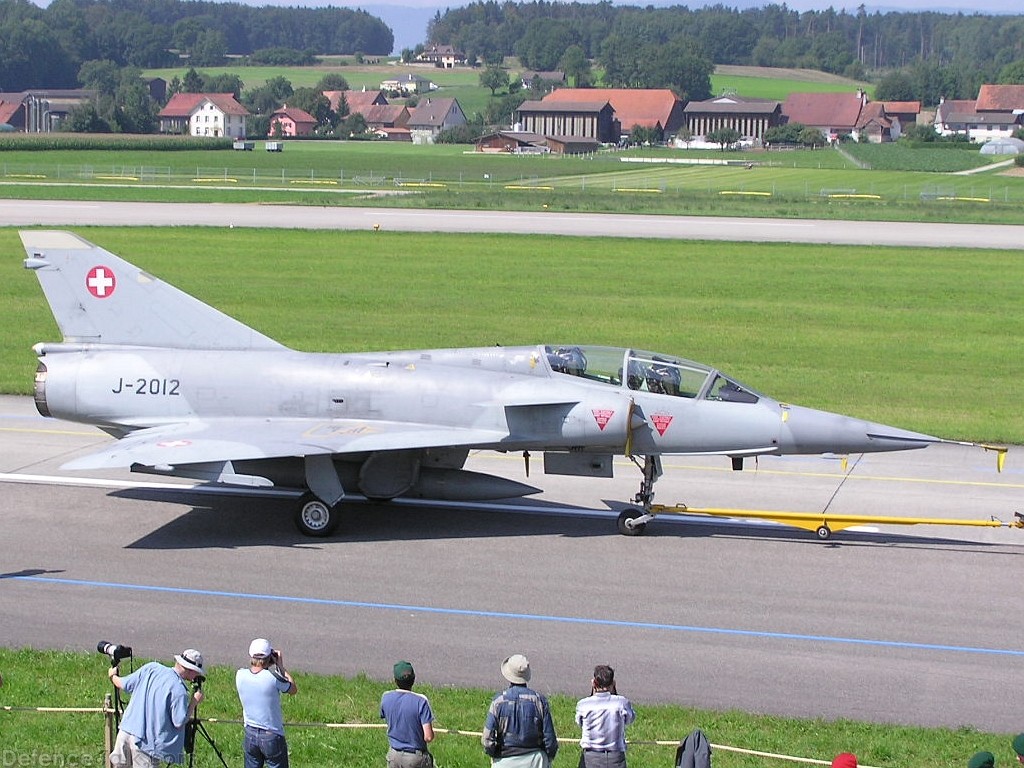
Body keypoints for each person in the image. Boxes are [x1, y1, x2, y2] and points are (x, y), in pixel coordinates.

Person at [107, 648, 205, 767]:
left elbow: (123, 684)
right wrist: (194, 702)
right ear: (190, 670)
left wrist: (112, 676)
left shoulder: (151, 668)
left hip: (125, 732)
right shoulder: (179, 690)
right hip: (146, 744)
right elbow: (179, 722)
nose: (197, 675)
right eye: (197, 672)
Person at [482, 654, 558, 768]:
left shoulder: (498, 702)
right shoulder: (539, 701)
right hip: (535, 761)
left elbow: (487, 739)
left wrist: (495, 754)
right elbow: (550, 739)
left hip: (505, 759)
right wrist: (548, 758)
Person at [235, 638, 297, 768]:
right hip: (272, 735)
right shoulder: (272, 678)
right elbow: (292, 689)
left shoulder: (240, 675)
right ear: (269, 657)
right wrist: (280, 666)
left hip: (250, 733)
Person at [575, 664, 635, 768]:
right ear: (613, 683)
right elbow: (630, 719)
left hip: (590, 757)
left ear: (593, 683)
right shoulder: (621, 703)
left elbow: (579, 723)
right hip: (615, 757)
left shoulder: (583, 704)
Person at [379, 660, 435, 768]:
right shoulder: (421, 701)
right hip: (415, 758)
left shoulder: (386, 697)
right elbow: (428, 737)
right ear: (413, 679)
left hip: (394, 756)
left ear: (395, 680)